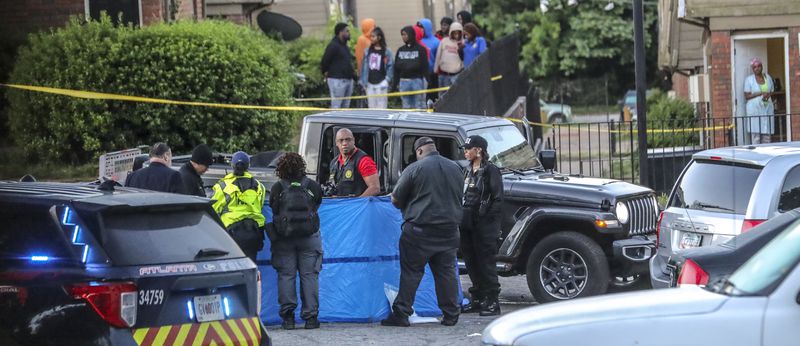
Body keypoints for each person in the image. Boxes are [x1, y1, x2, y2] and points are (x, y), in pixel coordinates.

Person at [382, 137, 464, 327]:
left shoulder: (415, 169)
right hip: (450, 231)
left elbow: (395, 199)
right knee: (446, 273)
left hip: (420, 231)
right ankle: (451, 315)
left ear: (419, 151)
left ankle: (402, 314)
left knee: (411, 273)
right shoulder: (456, 168)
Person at [269, 152, 324, 330]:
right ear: (302, 166)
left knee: (286, 276)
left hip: (284, 239)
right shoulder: (312, 185)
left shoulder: (278, 187)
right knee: (309, 276)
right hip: (309, 238)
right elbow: (317, 203)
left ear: (281, 169)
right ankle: (311, 318)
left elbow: (274, 208)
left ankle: (288, 319)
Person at [458, 135, 503, 316]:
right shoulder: (467, 170)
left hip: (484, 225)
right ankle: (477, 298)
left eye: (469, 148)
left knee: (486, 264)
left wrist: (487, 219)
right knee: (471, 262)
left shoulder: (491, 170)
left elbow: (498, 199)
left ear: (479, 150)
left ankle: (492, 302)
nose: (465, 151)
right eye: (465, 148)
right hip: (467, 222)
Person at [211, 151, 266, 262]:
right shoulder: (259, 186)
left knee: (231, 268)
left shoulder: (222, 186)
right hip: (253, 234)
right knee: (250, 268)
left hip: (231, 235)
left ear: (232, 165)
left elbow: (213, 209)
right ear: (248, 166)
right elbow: (259, 207)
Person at [327, 128, 380, 197]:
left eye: (348, 139)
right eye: (341, 140)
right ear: (336, 143)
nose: (344, 143)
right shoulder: (334, 163)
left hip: (357, 206)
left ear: (354, 140)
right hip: (339, 205)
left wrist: (356, 204)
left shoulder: (364, 161)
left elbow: (375, 188)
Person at [393, 26, 429, 109]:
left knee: (418, 105)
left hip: (417, 81)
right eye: (402, 35)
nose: (403, 37)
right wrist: (394, 84)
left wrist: (428, 80)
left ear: (411, 35)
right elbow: (396, 68)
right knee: (406, 106)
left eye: (405, 34)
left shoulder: (421, 49)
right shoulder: (400, 50)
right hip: (403, 82)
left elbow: (425, 66)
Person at [321, 23, 355, 109]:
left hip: (348, 79)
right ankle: (334, 122)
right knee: (337, 105)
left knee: (346, 106)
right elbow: (325, 61)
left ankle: (343, 123)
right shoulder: (333, 46)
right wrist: (324, 72)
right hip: (337, 80)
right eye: (347, 31)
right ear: (341, 32)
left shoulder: (345, 46)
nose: (349, 33)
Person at [360, 27, 394, 109]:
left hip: (381, 83)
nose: (371, 38)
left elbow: (390, 66)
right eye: (370, 36)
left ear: (379, 37)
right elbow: (363, 67)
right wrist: (363, 82)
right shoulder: (367, 51)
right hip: (369, 84)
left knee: (382, 107)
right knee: (371, 107)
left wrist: (387, 80)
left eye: (373, 36)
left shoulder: (387, 51)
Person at [744, 57, 775, 144]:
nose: (757, 68)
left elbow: (772, 90)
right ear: (752, 69)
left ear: (762, 67)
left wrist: (768, 95)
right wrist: (760, 93)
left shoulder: (768, 77)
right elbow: (747, 95)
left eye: (759, 66)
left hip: (766, 108)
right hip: (754, 110)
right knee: (756, 137)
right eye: (755, 67)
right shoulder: (749, 80)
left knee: (767, 136)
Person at [434, 22, 464, 97]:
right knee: (442, 96)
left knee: (457, 95)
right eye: (454, 33)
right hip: (444, 74)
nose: (456, 35)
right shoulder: (444, 41)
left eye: (458, 33)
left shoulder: (463, 42)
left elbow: (465, 58)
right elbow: (438, 55)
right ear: (451, 32)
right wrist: (435, 68)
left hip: (457, 74)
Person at [418, 18, 440, 105]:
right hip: (421, 74)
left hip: (432, 74)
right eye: (419, 27)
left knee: (433, 97)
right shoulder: (418, 41)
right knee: (423, 98)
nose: (420, 29)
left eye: (422, 27)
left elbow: (438, 58)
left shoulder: (436, 42)